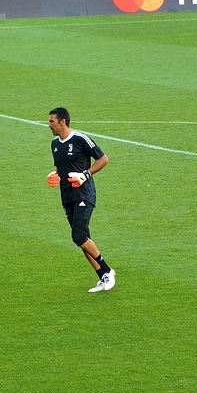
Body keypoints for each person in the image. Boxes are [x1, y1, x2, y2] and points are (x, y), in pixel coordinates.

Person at [46, 108, 116, 293]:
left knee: (79, 236)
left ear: (62, 122)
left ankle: (107, 271)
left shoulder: (80, 139)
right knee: (82, 238)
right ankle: (102, 277)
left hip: (84, 194)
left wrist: (85, 175)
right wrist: (54, 175)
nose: (49, 125)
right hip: (67, 197)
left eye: (52, 121)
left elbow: (103, 159)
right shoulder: (55, 144)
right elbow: (60, 168)